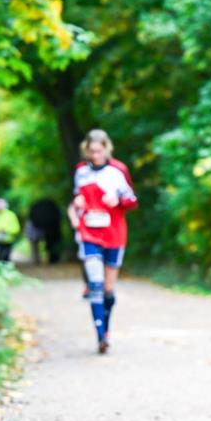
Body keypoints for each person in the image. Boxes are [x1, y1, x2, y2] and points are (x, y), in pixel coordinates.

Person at [70, 129, 138, 354]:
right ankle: (100, 336)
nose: (95, 156)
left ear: (107, 148)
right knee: (96, 284)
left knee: (109, 289)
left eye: (99, 151)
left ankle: (106, 330)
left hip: (114, 233)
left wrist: (118, 200)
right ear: (86, 150)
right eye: (91, 152)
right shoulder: (81, 171)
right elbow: (76, 197)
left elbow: (132, 200)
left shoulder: (118, 170)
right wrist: (78, 202)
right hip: (89, 233)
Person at [26, 197, 63, 265]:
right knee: (51, 244)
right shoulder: (52, 209)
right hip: (49, 230)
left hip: (39, 230)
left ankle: (36, 260)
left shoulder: (36, 210)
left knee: (36, 247)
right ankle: (52, 259)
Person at [0, 198, 21, 262]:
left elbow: (16, 228)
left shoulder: (11, 215)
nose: (0, 206)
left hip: (7, 242)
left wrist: (6, 230)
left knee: (5, 259)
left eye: (2, 204)